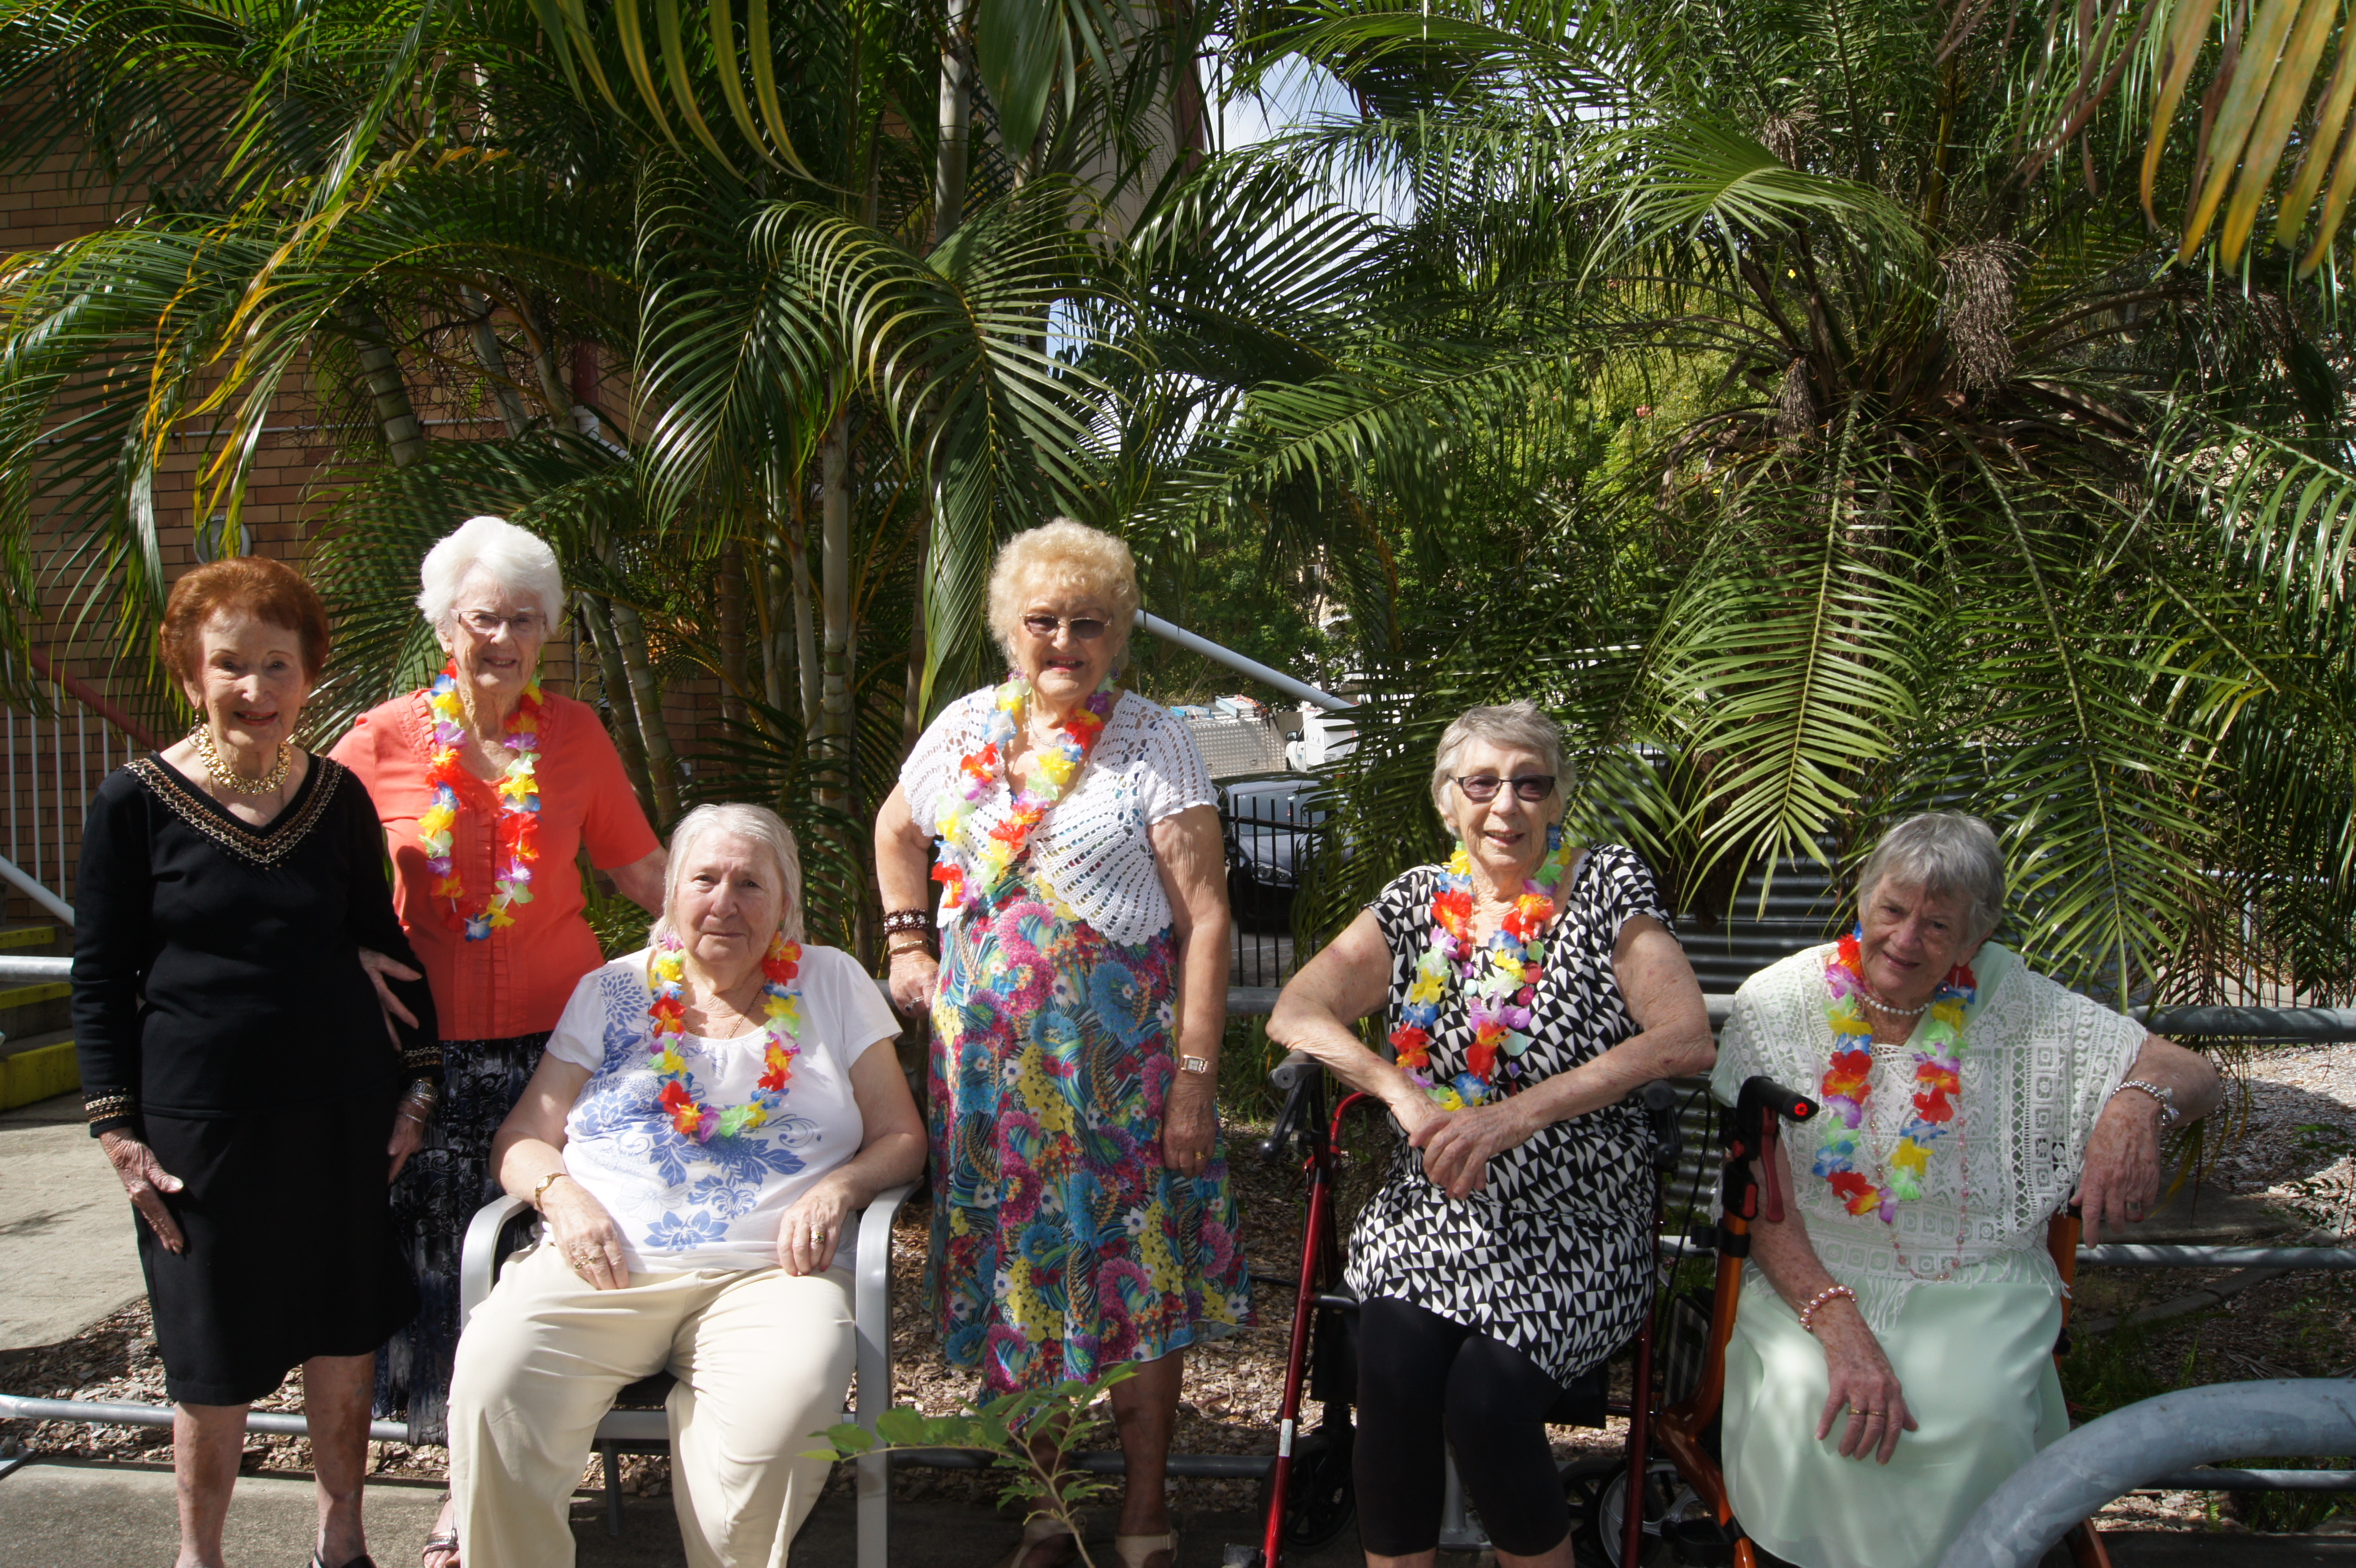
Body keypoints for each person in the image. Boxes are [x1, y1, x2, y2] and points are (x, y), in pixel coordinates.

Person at [873, 519, 1249, 1568]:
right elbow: (897, 829)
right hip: (988, 1078)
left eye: (1089, 624)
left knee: (1142, 1275)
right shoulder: (960, 729)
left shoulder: (1149, 736)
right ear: (1011, 627)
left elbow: (1207, 916)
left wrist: (1194, 1080)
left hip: (1123, 1076)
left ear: (1117, 628)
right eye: (1044, 622)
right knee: (1017, 1274)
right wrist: (909, 950)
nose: (1065, 644)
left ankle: (1141, 1507)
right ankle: (1047, 1505)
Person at [1711, 811, 2223, 1568]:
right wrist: (1836, 1320)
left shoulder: (2023, 1007)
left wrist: (2135, 1104)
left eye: (1939, 925)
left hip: (1979, 1280)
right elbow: (1764, 1191)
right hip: (1813, 1274)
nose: (1906, 939)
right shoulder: (1779, 1003)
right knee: (1806, 1398)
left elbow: (2197, 1074)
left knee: (1975, 1414)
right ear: (1862, 900)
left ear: (1978, 938)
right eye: (1892, 909)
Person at [1267, 700, 1713, 1568]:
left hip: (1577, 1223)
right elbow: (1297, 1010)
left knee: (1484, 1401)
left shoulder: (1606, 888)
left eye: (1530, 784)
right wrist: (1402, 1095)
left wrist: (1517, 1115)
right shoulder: (1413, 904)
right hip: (1432, 1216)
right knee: (1388, 1380)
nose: (1505, 806)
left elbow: (1685, 1035)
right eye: (1483, 783)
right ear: (1449, 802)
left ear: (1558, 799)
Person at [72, 556, 440, 1568]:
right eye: (229, 664)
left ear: (309, 675)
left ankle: (343, 1539)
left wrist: (418, 1084)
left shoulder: (335, 798)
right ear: (191, 674)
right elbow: (99, 979)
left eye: (278, 665)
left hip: (341, 1115)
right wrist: (117, 1133)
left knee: (343, 1326)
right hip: (201, 1130)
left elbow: (387, 945)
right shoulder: (133, 803)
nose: (255, 689)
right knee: (211, 1356)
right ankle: (202, 1554)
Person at [445, 803, 923, 1568]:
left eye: (750, 884)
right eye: (704, 879)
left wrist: (839, 1190)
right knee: (496, 1377)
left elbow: (902, 1138)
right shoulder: (611, 990)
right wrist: (562, 1198)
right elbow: (523, 1138)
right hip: (599, 1263)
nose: (725, 903)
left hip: (771, 1273)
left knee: (787, 1405)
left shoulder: (831, 981)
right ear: (670, 894)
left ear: (784, 903)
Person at [328, 515, 664, 1565]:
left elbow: (642, 871)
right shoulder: (376, 740)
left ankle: (496, 1492)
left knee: (530, 1265)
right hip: (416, 1060)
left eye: (527, 619)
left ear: (546, 631)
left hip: (557, 1056)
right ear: (446, 623)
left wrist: (759, 956)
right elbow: (311, 887)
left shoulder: (575, 738)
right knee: (434, 1271)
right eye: (486, 617)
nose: (505, 638)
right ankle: (455, 1486)